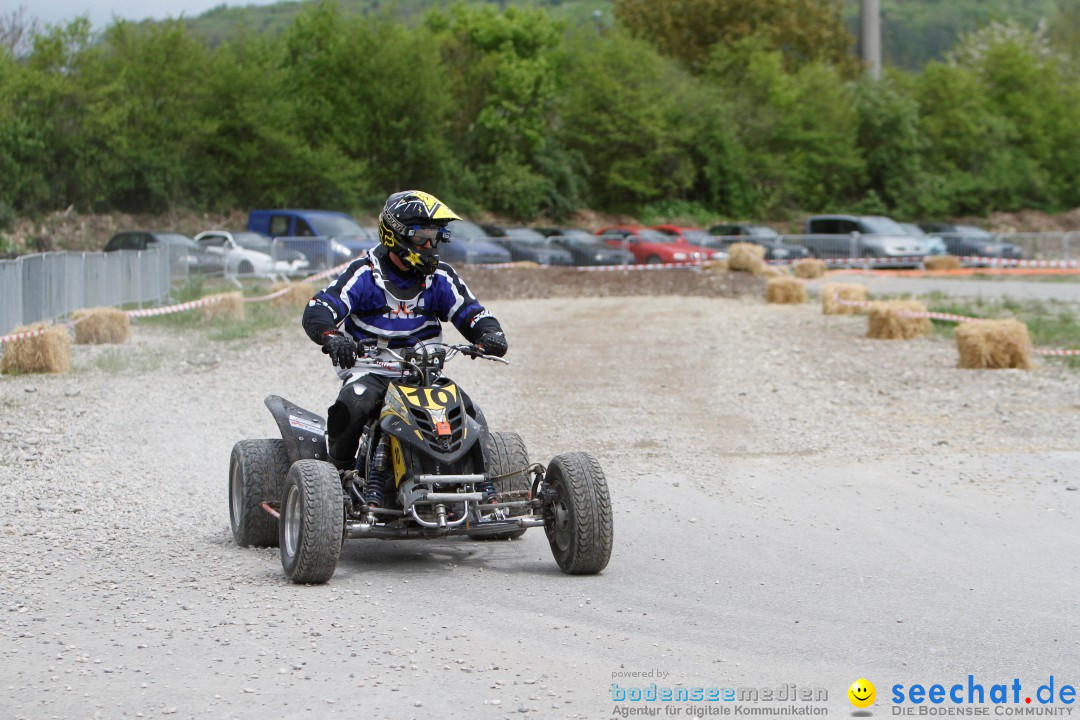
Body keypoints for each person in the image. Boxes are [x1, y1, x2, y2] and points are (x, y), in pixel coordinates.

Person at [301, 190, 508, 504]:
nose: (430, 247)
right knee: (352, 407)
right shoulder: (364, 274)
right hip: (372, 369)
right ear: (396, 234)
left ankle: (483, 489)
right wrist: (332, 336)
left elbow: (472, 312)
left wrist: (489, 333)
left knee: (470, 414)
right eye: (423, 238)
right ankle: (337, 478)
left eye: (436, 238)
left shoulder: (440, 278)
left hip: (423, 373)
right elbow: (320, 308)